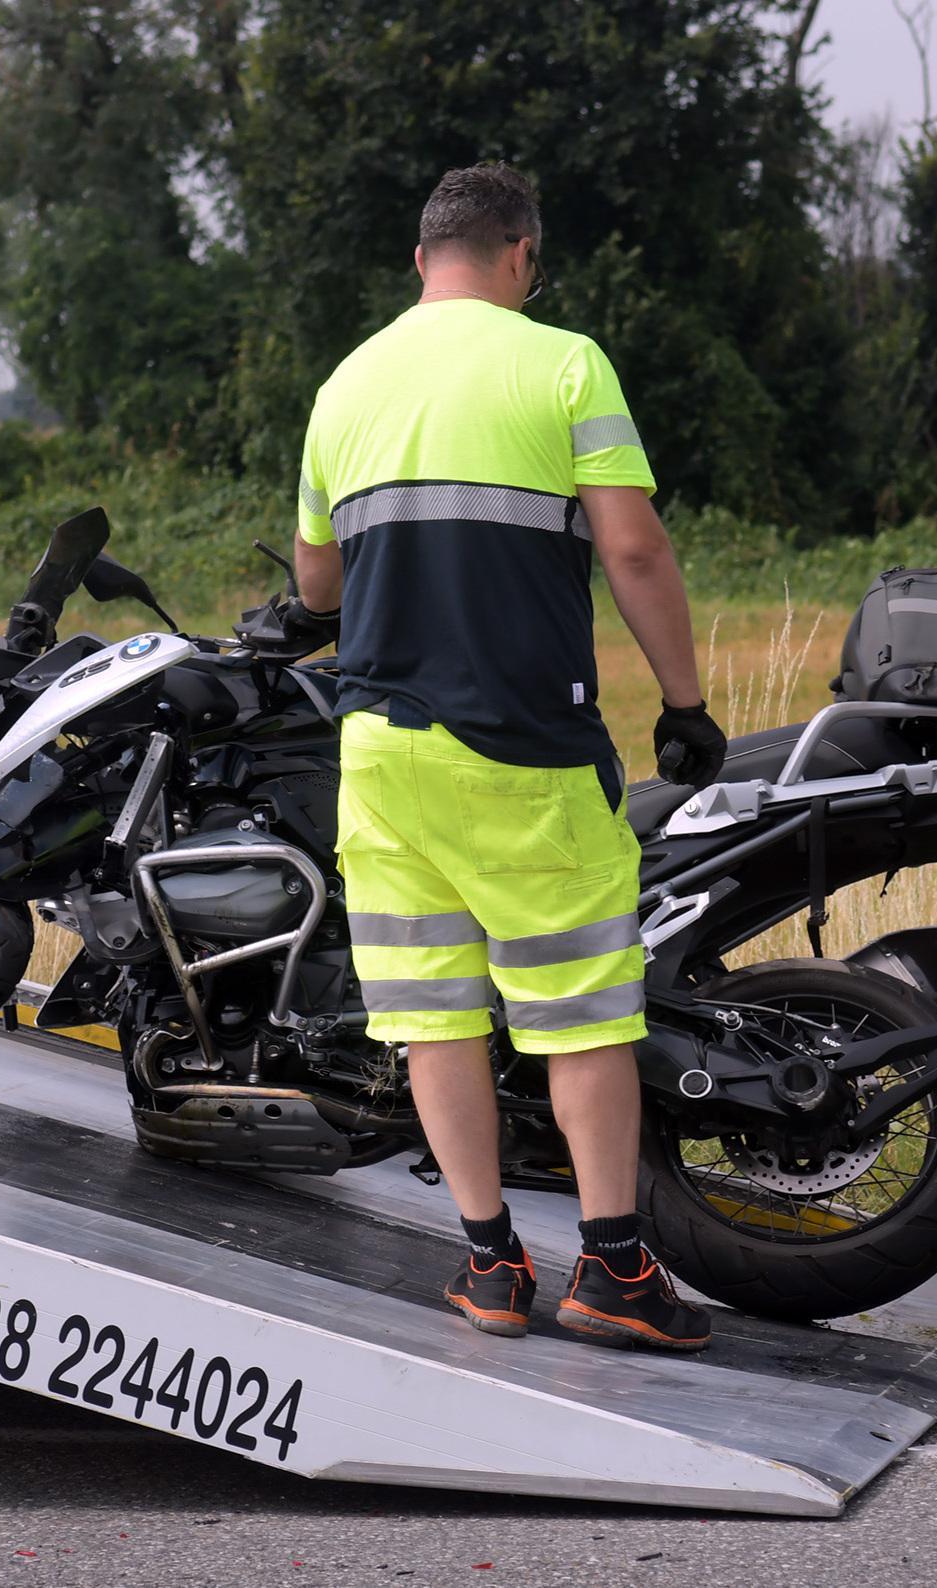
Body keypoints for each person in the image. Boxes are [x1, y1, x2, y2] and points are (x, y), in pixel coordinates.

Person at [292, 163, 728, 1348]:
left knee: (434, 1010)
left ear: (422, 259)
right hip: (526, 743)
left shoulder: (348, 382)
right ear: (521, 254)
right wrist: (684, 702)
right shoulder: (564, 362)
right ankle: (615, 1271)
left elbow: (315, 577)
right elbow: (632, 549)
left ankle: (490, 1267)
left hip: (381, 751)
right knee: (582, 1010)